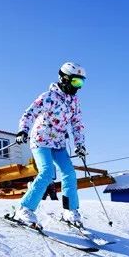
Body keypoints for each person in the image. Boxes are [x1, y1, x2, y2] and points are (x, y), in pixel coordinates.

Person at [14, 62, 87, 229]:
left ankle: (70, 210)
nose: (79, 87)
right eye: (76, 82)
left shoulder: (74, 102)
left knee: (69, 173)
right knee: (47, 172)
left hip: (59, 143)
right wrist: (23, 130)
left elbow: (77, 124)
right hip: (41, 140)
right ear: (65, 78)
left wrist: (80, 145)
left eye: (81, 83)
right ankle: (24, 209)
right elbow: (30, 113)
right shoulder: (49, 97)